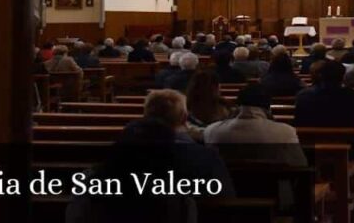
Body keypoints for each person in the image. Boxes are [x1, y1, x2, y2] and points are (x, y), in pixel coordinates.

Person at [65, 89, 230, 223]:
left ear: (145, 113)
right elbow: (224, 201)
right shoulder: (205, 157)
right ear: (184, 118)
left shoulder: (117, 155)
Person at [204, 84, 307, 167]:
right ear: (268, 107)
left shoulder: (212, 131)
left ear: (237, 105)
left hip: (224, 190)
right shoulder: (286, 132)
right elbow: (299, 164)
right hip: (274, 190)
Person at [295, 60, 354, 128]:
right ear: (343, 77)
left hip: (312, 140)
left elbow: (299, 122)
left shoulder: (304, 96)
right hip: (347, 140)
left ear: (321, 75)